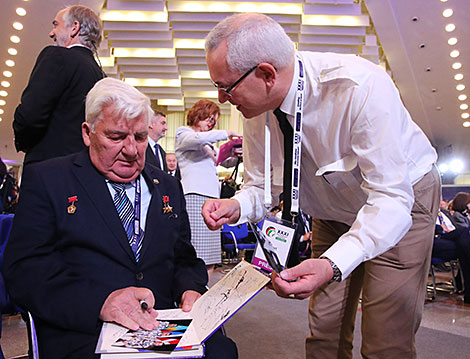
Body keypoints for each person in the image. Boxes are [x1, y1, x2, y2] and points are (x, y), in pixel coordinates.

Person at [202, 13, 441, 359]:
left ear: (267, 74)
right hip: (329, 208)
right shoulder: (255, 106)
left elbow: (390, 199)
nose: (223, 99)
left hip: (400, 203)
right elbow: (263, 187)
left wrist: (332, 264)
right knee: (324, 330)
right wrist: (237, 206)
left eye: (226, 87)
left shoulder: (359, 88)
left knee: (385, 339)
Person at [3, 78, 237, 359]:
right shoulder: (49, 180)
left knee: (222, 351)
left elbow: (184, 259)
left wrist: (190, 288)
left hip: (162, 327)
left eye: (139, 137)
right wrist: (100, 302)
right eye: (116, 137)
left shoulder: (168, 185)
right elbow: (25, 271)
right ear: (87, 133)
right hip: (86, 329)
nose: (131, 150)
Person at [13, 5, 104, 166]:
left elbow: (30, 115)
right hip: (85, 171)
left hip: (47, 168)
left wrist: (24, 142)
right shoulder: (102, 77)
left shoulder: (57, 57)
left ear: (74, 27)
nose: (51, 33)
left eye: (56, 24)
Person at [175, 100, 240, 276]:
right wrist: (227, 133)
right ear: (198, 114)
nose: (211, 122)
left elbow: (223, 161)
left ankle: (202, 293)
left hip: (212, 198)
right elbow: (198, 139)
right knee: (196, 252)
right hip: (195, 196)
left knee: (210, 255)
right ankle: (191, 291)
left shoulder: (208, 143)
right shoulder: (184, 133)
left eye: (214, 120)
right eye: (209, 118)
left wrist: (236, 153)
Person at [433, 208, 470, 303]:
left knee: (463, 245)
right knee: (463, 233)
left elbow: (453, 228)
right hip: (436, 239)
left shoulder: (444, 213)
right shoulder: (427, 212)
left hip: (452, 238)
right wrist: (441, 228)